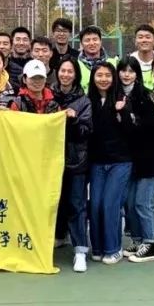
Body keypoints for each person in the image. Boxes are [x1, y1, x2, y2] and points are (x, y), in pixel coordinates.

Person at [115, 56, 154, 263]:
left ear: (137, 74)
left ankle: (150, 244)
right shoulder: (114, 95)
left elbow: (151, 127)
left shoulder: (148, 96)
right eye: (123, 70)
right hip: (129, 159)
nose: (127, 75)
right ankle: (137, 240)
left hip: (149, 158)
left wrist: (127, 115)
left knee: (144, 203)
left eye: (131, 71)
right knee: (130, 202)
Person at [86, 61, 134, 264]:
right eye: (99, 75)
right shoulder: (88, 101)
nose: (103, 79)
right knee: (95, 205)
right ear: (93, 78)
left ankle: (113, 248)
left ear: (113, 78)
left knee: (110, 204)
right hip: (97, 162)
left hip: (120, 162)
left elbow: (132, 131)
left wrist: (122, 113)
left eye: (107, 75)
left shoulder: (123, 100)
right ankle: (97, 247)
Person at [52, 57, 93, 272]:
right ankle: (58, 236)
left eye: (70, 71)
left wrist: (74, 119)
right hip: (50, 161)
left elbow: (86, 131)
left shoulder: (83, 101)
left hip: (76, 161)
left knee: (77, 204)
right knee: (54, 202)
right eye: (63, 70)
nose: (65, 75)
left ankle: (80, 250)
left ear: (76, 74)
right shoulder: (48, 95)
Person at [77, 25, 111, 90]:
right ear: (81, 44)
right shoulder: (75, 66)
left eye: (95, 39)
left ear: (101, 41)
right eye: (87, 40)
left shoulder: (114, 64)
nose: (92, 43)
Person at [130, 24, 154, 90]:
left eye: (148, 37)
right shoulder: (129, 62)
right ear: (135, 41)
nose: (144, 40)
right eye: (140, 37)